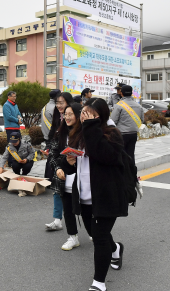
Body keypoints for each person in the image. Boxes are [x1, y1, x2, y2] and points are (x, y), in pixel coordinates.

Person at [61, 98, 129, 291]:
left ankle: (98, 282)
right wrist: (68, 162)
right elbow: (72, 166)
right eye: (83, 113)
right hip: (84, 195)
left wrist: (91, 126)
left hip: (107, 196)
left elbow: (104, 155)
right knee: (95, 233)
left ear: (101, 115)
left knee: (99, 237)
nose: (84, 117)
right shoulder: (79, 134)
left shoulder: (112, 134)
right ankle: (115, 249)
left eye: (90, 114)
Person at [46, 104, 86, 249]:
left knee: (88, 209)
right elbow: (53, 155)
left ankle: (93, 232)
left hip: (84, 179)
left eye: (71, 114)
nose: (67, 117)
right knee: (68, 209)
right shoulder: (60, 133)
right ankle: (73, 237)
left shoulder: (85, 133)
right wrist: (57, 169)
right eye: (66, 114)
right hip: (64, 179)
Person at [45, 92, 74, 231]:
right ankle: (57, 220)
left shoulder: (76, 117)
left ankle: (89, 225)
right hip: (60, 158)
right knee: (57, 188)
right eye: (57, 103)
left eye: (61, 102)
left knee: (76, 192)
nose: (59, 105)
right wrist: (48, 147)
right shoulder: (58, 116)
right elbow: (52, 132)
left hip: (74, 160)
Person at [111, 85, 144, 163]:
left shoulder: (119, 106)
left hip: (121, 134)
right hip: (133, 134)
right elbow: (141, 120)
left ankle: (123, 174)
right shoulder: (139, 106)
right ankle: (132, 173)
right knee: (131, 155)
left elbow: (113, 121)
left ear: (121, 93)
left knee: (121, 156)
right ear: (132, 93)